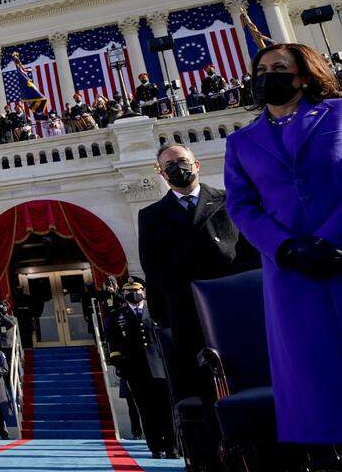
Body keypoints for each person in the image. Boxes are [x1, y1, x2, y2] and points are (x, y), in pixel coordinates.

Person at [223, 42, 342, 458]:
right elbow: (241, 206)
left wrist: (331, 239)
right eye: (260, 70)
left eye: (278, 68)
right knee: (312, 372)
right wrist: (286, 247)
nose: (266, 76)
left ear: (304, 76)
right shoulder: (241, 142)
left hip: (339, 253)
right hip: (291, 271)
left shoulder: (338, 114)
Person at [138, 142, 259, 400]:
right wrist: (190, 293)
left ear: (196, 164)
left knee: (249, 379)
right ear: (161, 174)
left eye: (181, 160)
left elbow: (250, 253)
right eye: (168, 165)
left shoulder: (228, 201)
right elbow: (152, 266)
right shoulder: (151, 215)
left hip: (235, 306)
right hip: (189, 313)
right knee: (202, 388)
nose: (177, 168)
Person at [107, 281, 178, 459]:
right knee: (147, 410)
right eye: (129, 291)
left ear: (143, 291)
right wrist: (120, 366)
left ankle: (171, 447)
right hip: (135, 370)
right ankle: (156, 447)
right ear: (124, 294)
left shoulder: (155, 311)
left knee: (166, 408)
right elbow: (113, 343)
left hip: (159, 367)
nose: (134, 294)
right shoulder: (117, 316)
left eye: (137, 290)